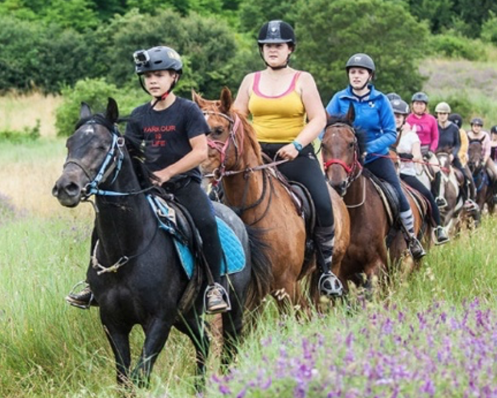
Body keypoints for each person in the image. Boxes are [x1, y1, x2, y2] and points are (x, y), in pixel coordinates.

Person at [66, 46, 230, 314]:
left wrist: (167, 172)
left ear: (174, 77)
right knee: (103, 223)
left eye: (159, 75)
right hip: (147, 189)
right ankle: (92, 284)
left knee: (207, 223)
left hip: (183, 186)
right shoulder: (140, 114)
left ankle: (215, 286)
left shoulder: (188, 110)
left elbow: (200, 151)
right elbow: (130, 154)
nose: (153, 81)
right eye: (148, 76)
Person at [231, 20, 342, 295]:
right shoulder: (250, 81)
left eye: (278, 45)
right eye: (267, 46)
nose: (272, 50)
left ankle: (326, 271)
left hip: (295, 153)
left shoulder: (302, 79)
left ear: (289, 49)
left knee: (323, 203)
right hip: (256, 156)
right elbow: (237, 118)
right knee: (217, 202)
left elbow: (319, 119)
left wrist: (296, 144)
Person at [326, 53, 426, 259]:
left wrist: (369, 147)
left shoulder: (380, 100)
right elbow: (323, 126)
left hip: (374, 158)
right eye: (353, 72)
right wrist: (332, 146)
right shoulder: (338, 99)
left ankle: (410, 237)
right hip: (343, 160)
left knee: (398, 193)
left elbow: (390, 133)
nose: (356, 76)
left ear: (369, 76)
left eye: (361, 72)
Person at [392, 98, 449, 245]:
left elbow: (417, 155)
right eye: (392, 115)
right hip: (388, 173)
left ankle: (438, 227)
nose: (395, 119)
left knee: (428, 195)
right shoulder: (385, 133)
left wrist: (409, 156)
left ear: (404, 118)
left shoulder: (411, 136)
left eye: (398, 116)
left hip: (406, 174)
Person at [406, 92, 445, 207]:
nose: (419, 106)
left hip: (426, 150)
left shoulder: (431, 119)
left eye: (422, 104)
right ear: (412, 105)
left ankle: (437, 196)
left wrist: (431, 151)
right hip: (411, 151)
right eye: (417, 104)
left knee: (436, 169)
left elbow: (435, 137)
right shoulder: (408, 119)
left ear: (425, 106)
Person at [436, 103, 476, 209]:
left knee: (465, 175)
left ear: (448, 114)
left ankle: (467, 198)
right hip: (436, 156)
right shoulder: (434, 125)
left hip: (450, 156)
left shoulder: (454, 128)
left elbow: (458, 144)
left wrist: (453, 155)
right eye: (440, 113)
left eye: (444, 113)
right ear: (437, 114)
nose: (442, 116)